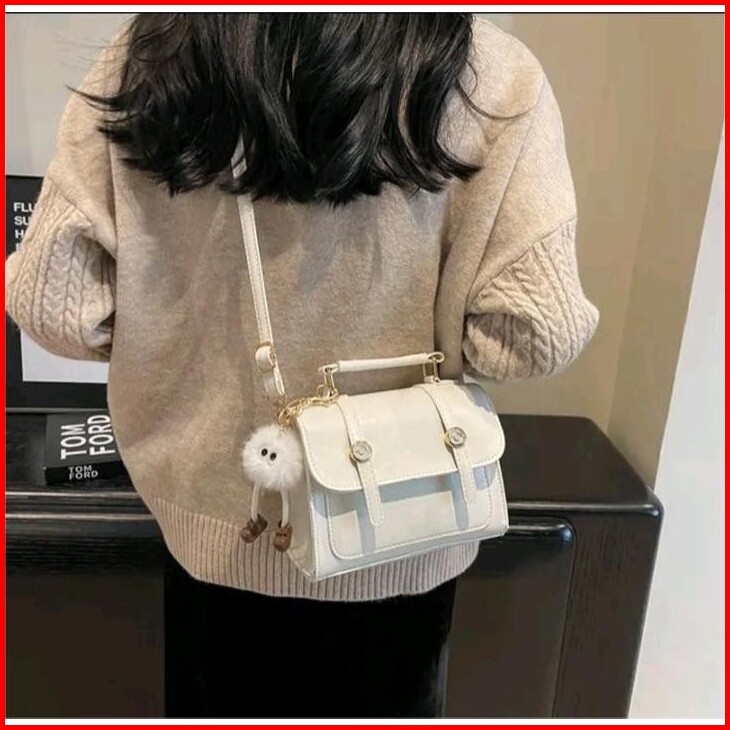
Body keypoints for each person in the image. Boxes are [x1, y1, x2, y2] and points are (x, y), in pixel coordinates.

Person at [4, 13, 599, 718]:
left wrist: (173, 336)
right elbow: (535, 333)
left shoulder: (153, 54)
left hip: (218, 530)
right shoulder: (489, 75)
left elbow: (54, 305)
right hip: (404, 527)